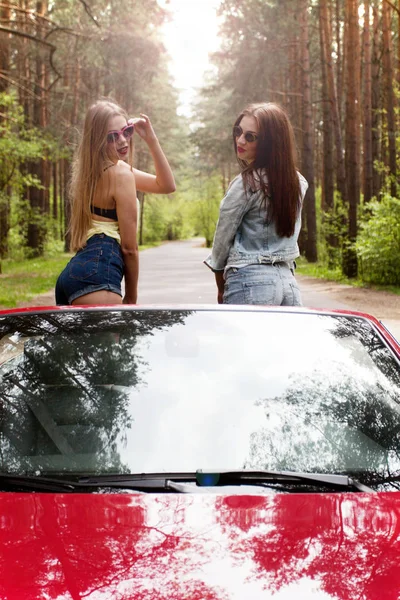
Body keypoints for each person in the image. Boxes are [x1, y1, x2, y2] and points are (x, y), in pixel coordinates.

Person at [55, 99, 175, 306]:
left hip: (71, 276)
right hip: (99, 274)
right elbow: (129, 248)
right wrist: (131, 298)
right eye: (112, 136)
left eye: (127, 131)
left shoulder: (89, 173)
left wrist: (151, 140)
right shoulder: (121, 175)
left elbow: (166, 185)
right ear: (97, 140)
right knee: (108, 340)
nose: (123, 141)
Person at [204, 102, 308, 305]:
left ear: (270, 143)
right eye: (238, 131)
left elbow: (223, 238)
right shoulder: (298, 183)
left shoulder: (246, 183)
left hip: (249, 282)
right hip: (289, 286)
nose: (240, 140)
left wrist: (220, 282)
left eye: (250, 137)